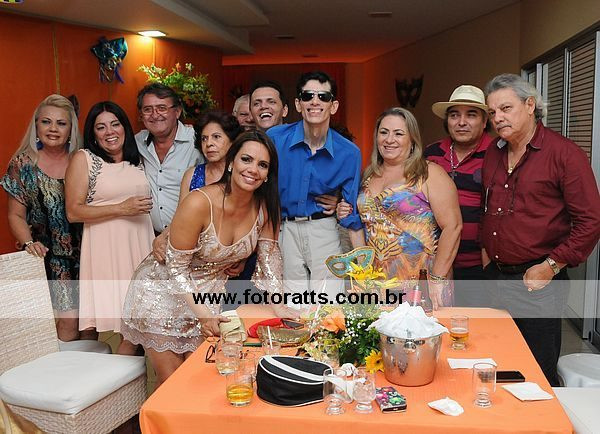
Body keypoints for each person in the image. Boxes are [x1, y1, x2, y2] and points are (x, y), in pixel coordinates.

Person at [122, 130, 288, 385]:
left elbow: (270, 263)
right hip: (162, 293)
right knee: (173, 383)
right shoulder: (199, 202)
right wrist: (203, 315)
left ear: (268, 175)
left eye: (262, 165)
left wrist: (281, 306)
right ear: (231, 163)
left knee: (203, 378)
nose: (253, 169)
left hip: (208, 297)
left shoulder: (265, 209)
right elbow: (175, 268)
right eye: (246, 159)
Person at [482, 73, 600, 386]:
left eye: (506, 108)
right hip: (495, 276)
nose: (498, 117)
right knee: (496, 363)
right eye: (492, 112)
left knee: (536, 372)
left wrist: (550, 266)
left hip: (538, 281)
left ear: (530, 105)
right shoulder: (494, 152)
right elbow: (489, 207)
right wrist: (487, 254)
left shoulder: (564, 154)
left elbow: (590, 221)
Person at [338, 107, 462, 309]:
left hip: (422, 285)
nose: (389, 139)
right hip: (377, 286)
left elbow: (453, 227)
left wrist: (437, 279)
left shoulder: (429, 173)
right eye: (384, 132)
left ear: (412, 139)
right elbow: (362, 224)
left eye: (398, 133)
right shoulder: (367, 176)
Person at [65, 101, 154, 355]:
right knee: (125, 327)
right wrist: (121, 208)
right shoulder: (84, 159)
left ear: (125, 127)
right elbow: (73, 212)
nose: (109, 132)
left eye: (115, 124)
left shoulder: (138, 159)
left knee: (141, 325)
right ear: (93, 133)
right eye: (101, 127)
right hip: (107, 250)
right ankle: (103, 376)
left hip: (140, 247)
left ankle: (132, 379)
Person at [267, 71, 363, 301]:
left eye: (323, 96)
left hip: (324, 229)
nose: (315, 101)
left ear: (333, 106)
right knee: (292, 305)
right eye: (307, 96)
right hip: (284, 229)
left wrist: (363, 271)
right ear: (298, 104)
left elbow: (350, 212)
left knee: (329, 304)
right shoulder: (275, 138)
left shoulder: (349, 153)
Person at [0, 94, 84, 342]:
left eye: (61, 123)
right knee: (69, 321)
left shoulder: (83, 160)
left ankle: (85, 367)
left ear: (71, 129)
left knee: (89, 322)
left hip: (87, 252)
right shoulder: (23, 163)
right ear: (36, 126)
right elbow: (15, 214)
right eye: (46, 122)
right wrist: (28, 243)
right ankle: (61, 367)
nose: (53, 129)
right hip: (47, 256)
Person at [425, 85, 494, 306]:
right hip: (433, 263)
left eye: (471, 115)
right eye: (454, 115)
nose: (461, 122)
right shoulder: (431, 154)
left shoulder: (498, 154)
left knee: (475, 324)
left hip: (479, 268)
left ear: (484, 121)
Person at [152, 110, 243, 264]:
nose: (209, 143)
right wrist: (161, 238)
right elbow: (179, 219)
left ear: (232, 141)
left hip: (231, 257)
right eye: (204, 138)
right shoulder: (192, 175)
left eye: (216, 137)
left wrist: (241, 259)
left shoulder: (241, 175)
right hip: (191, 256)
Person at [135, 83, 202, 236]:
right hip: (151, 236)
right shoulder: (137, 142)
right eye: (147, 109)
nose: (155, 115)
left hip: (193, 236)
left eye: (162, 108)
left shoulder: (197, 140)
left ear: (177, 112)